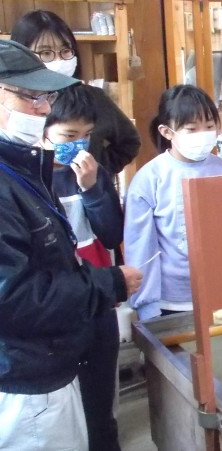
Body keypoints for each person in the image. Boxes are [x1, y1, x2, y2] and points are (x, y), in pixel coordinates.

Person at [0, 39, 142, 450]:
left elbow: (108, 232)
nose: (42, 108)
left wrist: (93, 189)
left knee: (98, 412)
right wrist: (108, 283)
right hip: (28, 372)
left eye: (45, 98)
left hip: (61, 340)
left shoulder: (27, 169)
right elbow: (15, 296)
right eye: (30, 97)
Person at [41, 84, 124, 450]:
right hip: (58, 303)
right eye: (69, 136)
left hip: (98, 299)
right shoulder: (31, 176)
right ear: (44, 129)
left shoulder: (95, 172)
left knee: (100, 400)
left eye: (86, 135)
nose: (78, 144)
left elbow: (112, 234)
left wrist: (91, 189)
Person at [124, 85, 222, 320]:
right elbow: (141, 248)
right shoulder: (149, 179)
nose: (203, 134)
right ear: (167, 132)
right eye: (191, 129)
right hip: (171, 299)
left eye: (209, 127)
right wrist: (146, 305)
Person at [11, 9, 141, 176]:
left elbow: (128, 142)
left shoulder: (92, 98)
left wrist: (100, 172)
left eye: (65, 51)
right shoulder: (11, 104)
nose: (59, 60)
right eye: (46, 53)